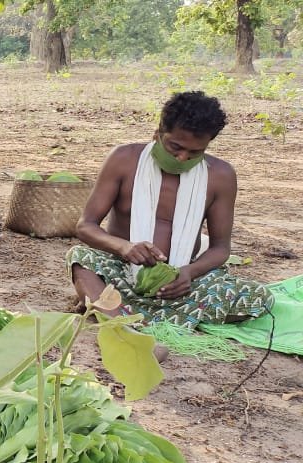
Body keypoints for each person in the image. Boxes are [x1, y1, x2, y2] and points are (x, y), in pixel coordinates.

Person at [69, 91, 272, 330]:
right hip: (122, 271)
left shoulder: (221, 176)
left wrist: (188, 273)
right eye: (175, 146)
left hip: (180, 284)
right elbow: (86, 226)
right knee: (81, 259)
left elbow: (220, 248)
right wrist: (124, 247)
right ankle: (124, 326)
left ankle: (111, 309)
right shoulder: (124, 159)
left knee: (259, 297)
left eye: (195, 152)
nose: (182, 157)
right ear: (158, 132)